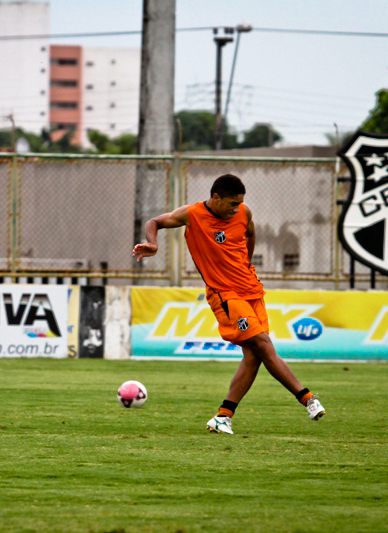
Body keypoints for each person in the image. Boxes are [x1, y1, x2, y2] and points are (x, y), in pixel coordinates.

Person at [132, 174, 325, 434]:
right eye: (232, 203)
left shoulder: (244, 212)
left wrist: (244, 263)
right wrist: (153, 243)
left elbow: (251, 234)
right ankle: (307, 398)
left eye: (240, 204)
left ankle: (223, 416)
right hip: (224, 294)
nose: (237, 208)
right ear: (216, 198)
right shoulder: (192, 215)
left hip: (252, 290)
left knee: (254, 356)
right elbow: (154, 221)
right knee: (263, 344)